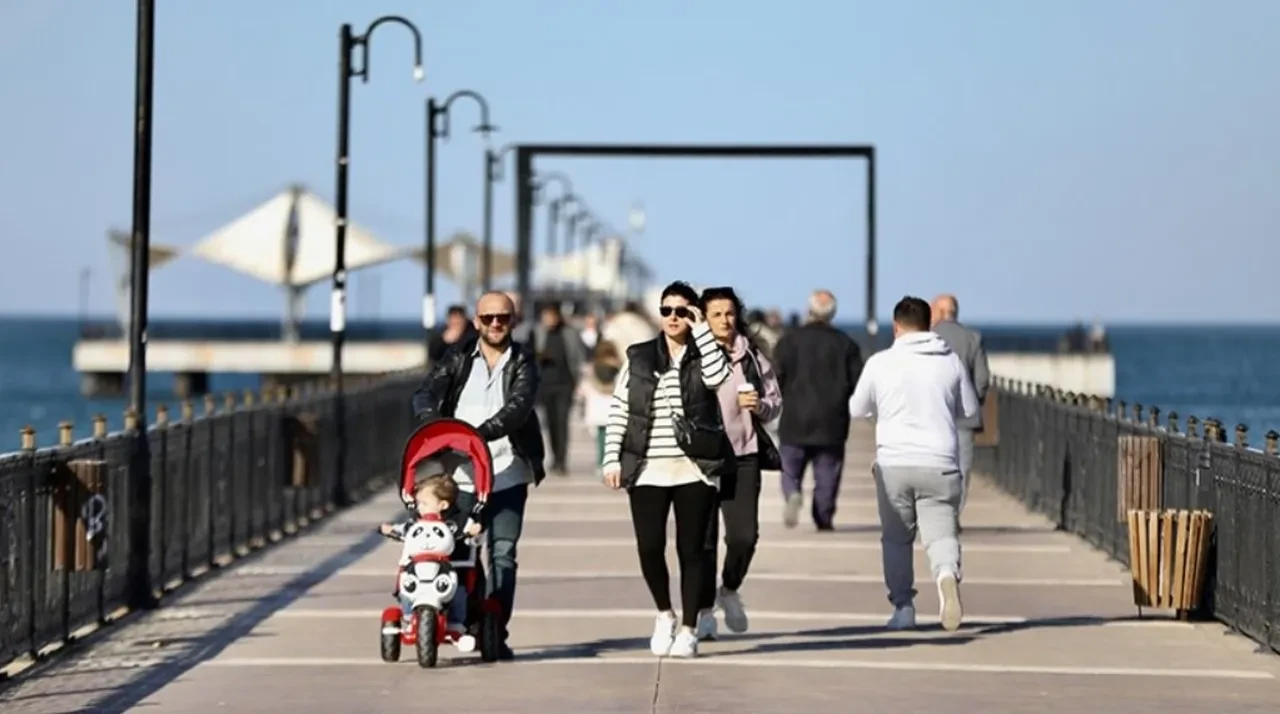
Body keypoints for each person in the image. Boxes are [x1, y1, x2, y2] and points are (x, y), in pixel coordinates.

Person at [410, 290, 546, 661]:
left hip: (508, 471)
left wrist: (476, 435)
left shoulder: (523, 361)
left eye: (503, 317)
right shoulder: (457, 357)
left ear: (513, 321)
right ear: (476, 322)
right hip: (462, 476)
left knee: (503, 553)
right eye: (488, 318)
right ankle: (472, 619)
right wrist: (431, 425)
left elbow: (519, 408)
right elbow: (426, 392)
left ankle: (495, 629)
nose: (496, 324)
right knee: (461, 552)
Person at [601, 281, 734, 659]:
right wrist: (612, 458)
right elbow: (620, 410)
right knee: (649, 547)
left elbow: (718, 379)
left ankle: (690, 628)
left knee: (692, 551)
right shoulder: (639, 357)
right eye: (666, 311)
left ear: (692, 314)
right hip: (646, 468)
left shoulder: (705, 353)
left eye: (681, 311)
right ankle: (664, 613)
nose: (673, 318)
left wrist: (703, 331)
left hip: (694, 468)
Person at [848, 296, 978, 632]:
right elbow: (970, 411)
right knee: (941, 534)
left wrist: (882, 412)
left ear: (896, 326)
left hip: (894, 464)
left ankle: (903, 608)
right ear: (929, 324)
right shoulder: (950, 362)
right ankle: (947, 575)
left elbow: (857, 409)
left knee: (896, 539)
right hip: (940, 462)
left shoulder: (880, 363)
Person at [694, 286, 782, 639]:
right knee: (704, 541)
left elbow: (776, 403)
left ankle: (729, 589)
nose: (724, 320)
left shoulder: (753, 356)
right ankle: (702, 613)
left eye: (729, 313)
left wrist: (760, 406)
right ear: (703, 318)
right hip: (700, 459)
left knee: (744, 536)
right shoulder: (692, 354)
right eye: (716, 314)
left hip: (744, 455)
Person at [771, 289, 863, 531]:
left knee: (790, 466)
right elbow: (857, 384)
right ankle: (823, 516)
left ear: (809, 310)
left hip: (795, 417)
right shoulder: (846, 344)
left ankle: (792, 492)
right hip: (831, 420)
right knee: (827, 474)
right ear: (832, 313)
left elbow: (776, 377)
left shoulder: (789, 340)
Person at [380, 472, 478, 638]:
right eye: (419, 503)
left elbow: (471, 531)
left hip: (449, 567)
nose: (420, 507)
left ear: (442, 505)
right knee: (407, 586)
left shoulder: (457, 522)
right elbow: (407, 529)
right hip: (419, 566)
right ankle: (409, 615)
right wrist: (391, 530)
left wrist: (474, 530)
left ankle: (456, 622)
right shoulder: (418, 521)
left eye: (424, 503)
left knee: (459, 591)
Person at [930, 293, 990, 516]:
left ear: (937, 313)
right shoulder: (973, 338)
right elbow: (982, 380)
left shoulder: (926, 337)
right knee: (961, 469)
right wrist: (976, 400)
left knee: (934, 465)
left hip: (932, 415)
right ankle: (953, 514)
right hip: (964, 415)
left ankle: (935, 511)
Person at [533, 302, 586, 475]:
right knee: (550, 423)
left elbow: (578, 356)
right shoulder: (539, 332)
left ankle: (562, 461)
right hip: (545, 386)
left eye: (551, 315)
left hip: (565, 385)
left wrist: (578, 380)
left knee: (562, 423)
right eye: (545, 316)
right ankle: (555, 458)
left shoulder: (570, 333)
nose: (548, 319)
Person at [579, 340, 622, 476]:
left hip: (598, 407)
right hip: (613, 405)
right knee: (614, 437)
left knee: (601, 438)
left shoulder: (593, 367)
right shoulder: (620, 367)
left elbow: (584, 387)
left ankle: (601, 463)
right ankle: (613, 461)